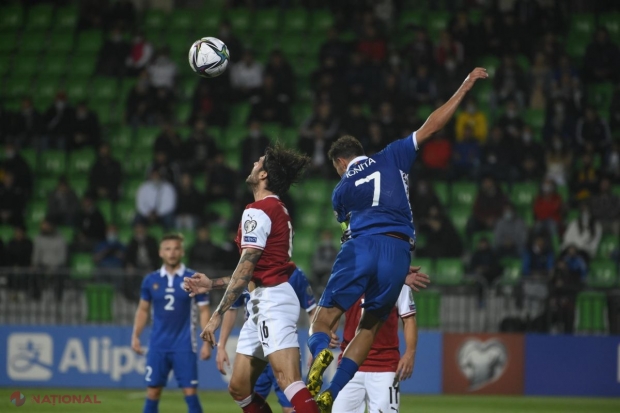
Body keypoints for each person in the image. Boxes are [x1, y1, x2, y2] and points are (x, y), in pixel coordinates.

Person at [305, 68, 487, 411]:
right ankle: (334, 391)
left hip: (362, 245)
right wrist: (464, 86)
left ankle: (319, 359)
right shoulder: (393, 155)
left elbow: (350, 233)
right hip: (399, 250)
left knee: (323, 319)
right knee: (369, 327)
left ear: (341, 163)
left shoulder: (341, 189)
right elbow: (433, 125)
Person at [183, 144, 322, 413]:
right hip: (260, 302)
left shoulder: (258, 211)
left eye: (259, 163)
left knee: (288, 381)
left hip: (272, 302)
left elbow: (246, 269)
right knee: (239, 387)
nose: (254, 164)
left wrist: (217, 314)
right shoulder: (274, 209)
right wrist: (212, 283)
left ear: (263, 176)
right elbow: (250, 271)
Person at [216, 269, 327, 413]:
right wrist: (221, 346)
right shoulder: (247, 272)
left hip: (281, 347)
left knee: (290, 406)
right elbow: (232, 309)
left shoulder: (294, 274)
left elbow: (312, 310)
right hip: (255, 346)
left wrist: (314, 344)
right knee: (245, 396)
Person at [131, 233, 211, 413]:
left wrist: (207, 341)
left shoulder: (193, 279)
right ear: (161, 252)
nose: (172, 253)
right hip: (158, 345)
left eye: (176, 249)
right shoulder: (151, 280)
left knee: (190, 392)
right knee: (152, 392)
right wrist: (135, 335)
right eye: (167, 249)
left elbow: (204, 310)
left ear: (182, 251)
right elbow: (143, 309)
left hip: (184, 345)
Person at [332, 285, 417, 413]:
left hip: (385, 367)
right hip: (349, 365)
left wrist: (410, 353)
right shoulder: (348, 281)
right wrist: (329, 331)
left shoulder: (398, 283)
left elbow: (409, 319)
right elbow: (333, 310)